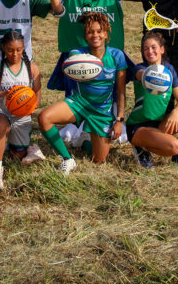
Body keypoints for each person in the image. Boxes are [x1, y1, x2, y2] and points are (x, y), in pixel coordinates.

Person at [37, 12, 127, 174]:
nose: (95, 35)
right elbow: (72, 60)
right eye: (90, 32)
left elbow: (121, 91)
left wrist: (119, 119)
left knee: (99, 160)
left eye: (99, 31)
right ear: (85, 35)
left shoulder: (117, 56)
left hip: (102, 110)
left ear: (106, 34)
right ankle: (67, 159)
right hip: (79, 103)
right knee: (44, 118)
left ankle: (85, 141)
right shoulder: (77, 53)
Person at [0, 30, 43, 189]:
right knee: (0, 125)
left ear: (23, 48)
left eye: (18, 49)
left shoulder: (31, 68)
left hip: (21, 116)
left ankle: (29, 148)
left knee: (16, 158)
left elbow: (38, 94)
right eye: (10, 50)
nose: (14, 54)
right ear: (3, 48)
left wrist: (31, 104)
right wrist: (2, 93)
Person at [128, 32, 178, 171]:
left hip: (160, 124)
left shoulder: (169, 70)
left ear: (162, 49)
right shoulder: (140, 68)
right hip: (139, 127)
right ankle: (141, 148)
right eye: (146, 48)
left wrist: (175, 112)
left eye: (153, 47)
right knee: (173, 145)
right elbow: (141, 75)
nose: (150, 51)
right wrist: (149, 75)